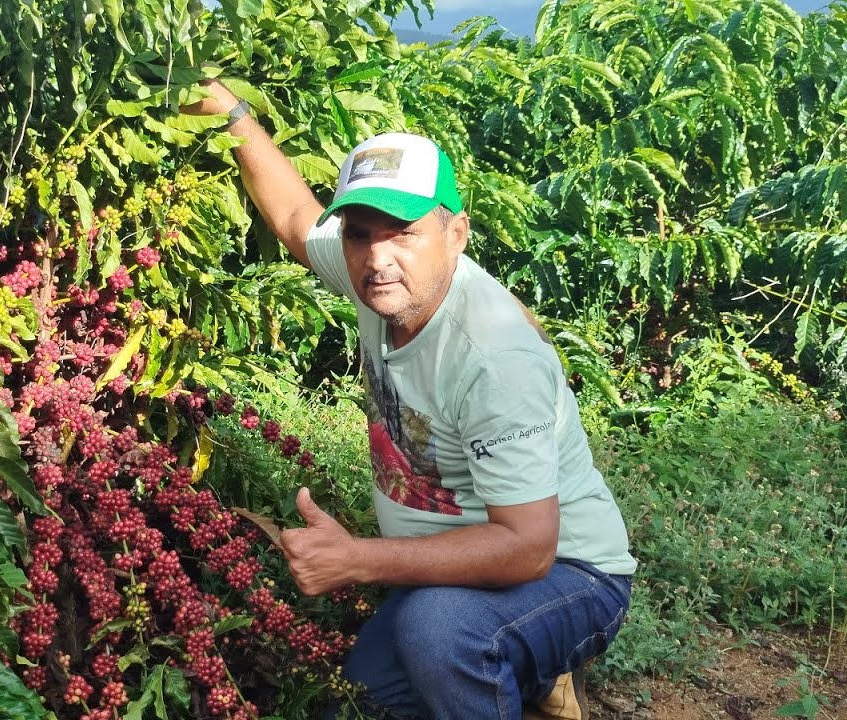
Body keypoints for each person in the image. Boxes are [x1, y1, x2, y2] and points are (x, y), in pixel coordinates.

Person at [184, 80, 637, 720]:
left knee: (437, 633)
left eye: (405, 233)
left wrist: (358, 561)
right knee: (369, 695)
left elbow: (531, 547)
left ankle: (527, 651)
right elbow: (293, 219)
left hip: (570, 572)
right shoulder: (379, 275)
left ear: (456, 234)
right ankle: (525, 674)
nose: (378, 258)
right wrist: (232, 114)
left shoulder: (494, 357)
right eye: (362, 233)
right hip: (463, 575)